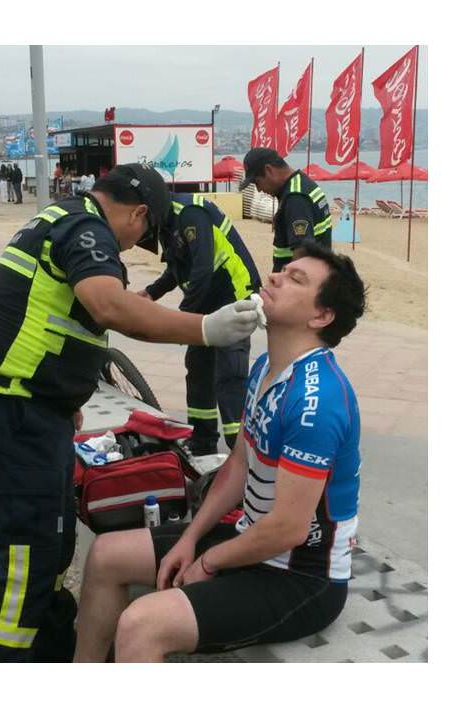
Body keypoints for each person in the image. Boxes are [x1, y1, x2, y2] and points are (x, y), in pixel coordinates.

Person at [0, 163, 262, 662]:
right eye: (144, 233)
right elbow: (108, 307)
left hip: (32, 409)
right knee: (27, 555)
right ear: (138, 214)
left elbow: (46, 318)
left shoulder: (59, 218)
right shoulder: (86, 228)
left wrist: (64, 398)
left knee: (52, 545)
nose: (135, 244)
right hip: (14, 414)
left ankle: (49, 650)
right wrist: (205, 329)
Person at [73, 242, 366, 662]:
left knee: (142, 624)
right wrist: (190, 538)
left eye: (295, 279)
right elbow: (238, 464)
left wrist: (208, 562)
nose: (275, 276)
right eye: (283, 269)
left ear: (321, 316)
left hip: (302, 575)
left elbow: (288, 529)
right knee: (106, 555)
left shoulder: (315, 402)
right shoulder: (267, 367)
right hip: (253, 539)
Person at [139, 193, 261, 455]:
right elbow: (178, 267)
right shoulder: (167, 222)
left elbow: (203, 267)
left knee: (230, 374)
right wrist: (150, 293)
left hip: (233, 296)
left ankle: (240, 450)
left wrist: (183, 317)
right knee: (197, 369)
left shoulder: (190, 213)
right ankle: (202, 441)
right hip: (205, 301)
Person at [239, 147, 333, 272]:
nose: (259, 189)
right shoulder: (302, 184)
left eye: (257, 182)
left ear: (269, 170)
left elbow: (302, 251)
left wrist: (287, 281)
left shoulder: (295, 198)